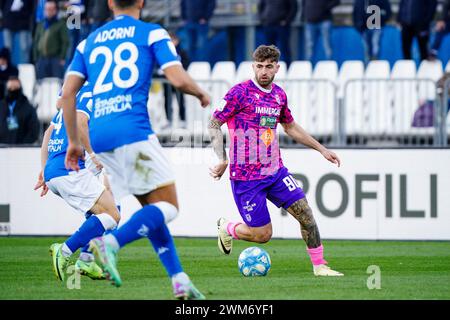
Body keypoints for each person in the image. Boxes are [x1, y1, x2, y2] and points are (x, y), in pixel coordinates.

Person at [60, 0, 211, 299]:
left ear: (110, 3)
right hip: (132, 130)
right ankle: (110, 244)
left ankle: (178, 279)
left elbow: (67, 93)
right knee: (169, 207)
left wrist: (75, 142)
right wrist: (200, 92)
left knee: (151, 208)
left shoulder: (87, 42)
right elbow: (177, 78)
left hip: (100, 137)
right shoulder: (152, 33)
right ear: (141, 1)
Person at [208, 45, 344, 277]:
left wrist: (321, 149)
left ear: (277, 68)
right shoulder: (238, 93)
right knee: (263, 236)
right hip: (246, 178)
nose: (263, 71)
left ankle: (320, 266)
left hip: (275, 171)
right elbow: (213, 124)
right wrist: (222, 158)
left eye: (269, 67)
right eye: (259, 66)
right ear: (253, 67)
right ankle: (228, 227)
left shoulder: (279, 95)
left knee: (306, 214)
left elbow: (290, 126)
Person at [34, 83, 121, 282]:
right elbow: (81, 121)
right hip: (72, 165)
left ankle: (86, 259)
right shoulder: (92, 92)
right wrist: (92, 153)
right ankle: (64, 251)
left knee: (103, 207)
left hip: (56, 167)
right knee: (112, 215)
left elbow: (49, 132)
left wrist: (45, 169)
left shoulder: (72, 94)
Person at [33, 0, 70, 79]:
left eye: (51, 9)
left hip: (55, 60)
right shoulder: (41, 24)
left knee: (57, 83)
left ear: (55, 10)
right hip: (41, 59)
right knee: (41, 84)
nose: (48, 11)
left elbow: (65, 42)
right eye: (46, 9)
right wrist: (36, 58)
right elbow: (36, 41)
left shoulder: (60, 24)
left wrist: (62, 57)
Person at [162, 31, 189, 129]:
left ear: (176, 41)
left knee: (180, 100)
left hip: (178, 80)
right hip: (167, 80)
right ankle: (168, 120)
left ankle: (182, 120)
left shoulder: (181, 51)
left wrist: (180, 71)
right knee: (167, 101)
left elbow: (186, 63)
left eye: (172, 40)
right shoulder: (164, 52)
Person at [0, 77, 39, 144]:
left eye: (15, 88)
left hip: (21, 149)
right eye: (10, 88)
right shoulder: (1, 106)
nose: (12, 90)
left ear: (20, 89)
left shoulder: (28, 108)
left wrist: (22, 146)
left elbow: (34, 131)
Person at [258, 0, 298, 65]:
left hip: (282, 26)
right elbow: (260, 6)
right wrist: (262, 19)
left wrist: (286, 21)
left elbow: (294, 8)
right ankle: (269, 67)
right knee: (268, 50)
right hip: (268, 25)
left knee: (284, 48)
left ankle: (287, 68)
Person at [1, 0, 35, 65]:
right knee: (7, 48)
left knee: (24, 48)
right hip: (8, 20)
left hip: (23, 21)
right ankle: (8, 68)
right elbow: (2, 5)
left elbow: (31, 7)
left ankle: (25, 68)